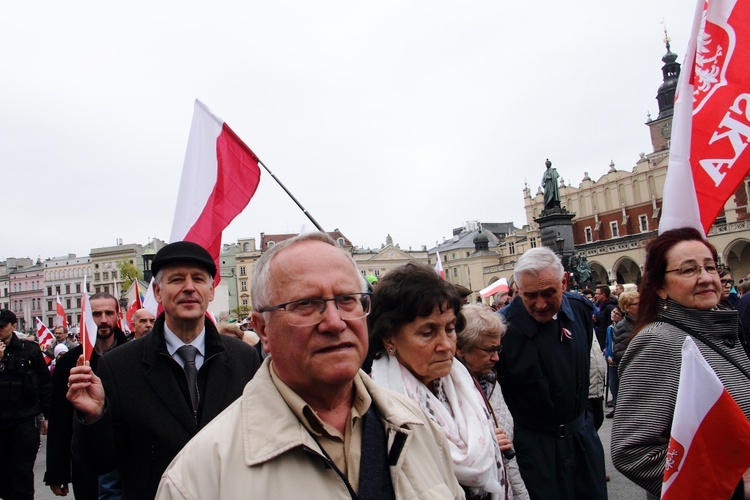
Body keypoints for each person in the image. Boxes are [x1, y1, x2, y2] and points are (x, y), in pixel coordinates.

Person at [156, 233, 461, 499]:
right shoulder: (199, 476)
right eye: (306, 304)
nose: (334, 321)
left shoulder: (418, 428)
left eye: (346, 300)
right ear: (263, 329)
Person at [67, 241, 261, 499]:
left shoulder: (243, 358)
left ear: (211, 291)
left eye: (199, 279)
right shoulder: (118, 365)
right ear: (157, 291)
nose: (189, 287)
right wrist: (94, 418)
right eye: (177, 279)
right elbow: (100, 463)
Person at [611, 227, 750, 499]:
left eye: (710, 267)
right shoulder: (659, 342)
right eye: (688, 270)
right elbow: (633, 451)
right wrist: (733, 486)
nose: (706, 278)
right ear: (660, 287)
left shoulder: (719, 328)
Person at [369, 262, 505, 499]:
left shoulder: (466, 382)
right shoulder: (374, 409)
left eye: (450, 329)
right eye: (427, 332)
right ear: (389, 337)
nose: (446, 345)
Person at [497, 247, 607, 500]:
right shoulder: (501, 330)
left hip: (582, 443)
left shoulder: (579, 309)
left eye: (549, 293)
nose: (541, 304)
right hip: (534, 451)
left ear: (564, 282)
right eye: (530, 296)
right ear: (517, 290)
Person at [45, 292, 129, 499]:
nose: (103, 320)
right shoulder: (69, 362)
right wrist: (58, 470)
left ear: (117, 315)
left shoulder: (133, 355)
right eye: (96, 314)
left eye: (109, 313)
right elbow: (59, 418)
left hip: (128, 456)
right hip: (86, 458)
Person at [456, 304, 530, 500]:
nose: (496, 357)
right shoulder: (445, 393)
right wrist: (485, 448)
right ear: (461, 349)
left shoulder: (491, 383)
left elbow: (508, 459)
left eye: (498, 348)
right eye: (489, 350)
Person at [0, 309, 52, 500]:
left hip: (23, 421)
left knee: (22, 474)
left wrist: (48, 416)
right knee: (4, 477)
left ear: (13, 326)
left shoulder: (29, 349)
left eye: (2, 326)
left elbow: (45, 384)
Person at [608, 292, 639, 419]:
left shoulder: (647, 321)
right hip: (632, 374)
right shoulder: (622, 326)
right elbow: (618, 353)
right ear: (627, 308)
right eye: (637, 304)